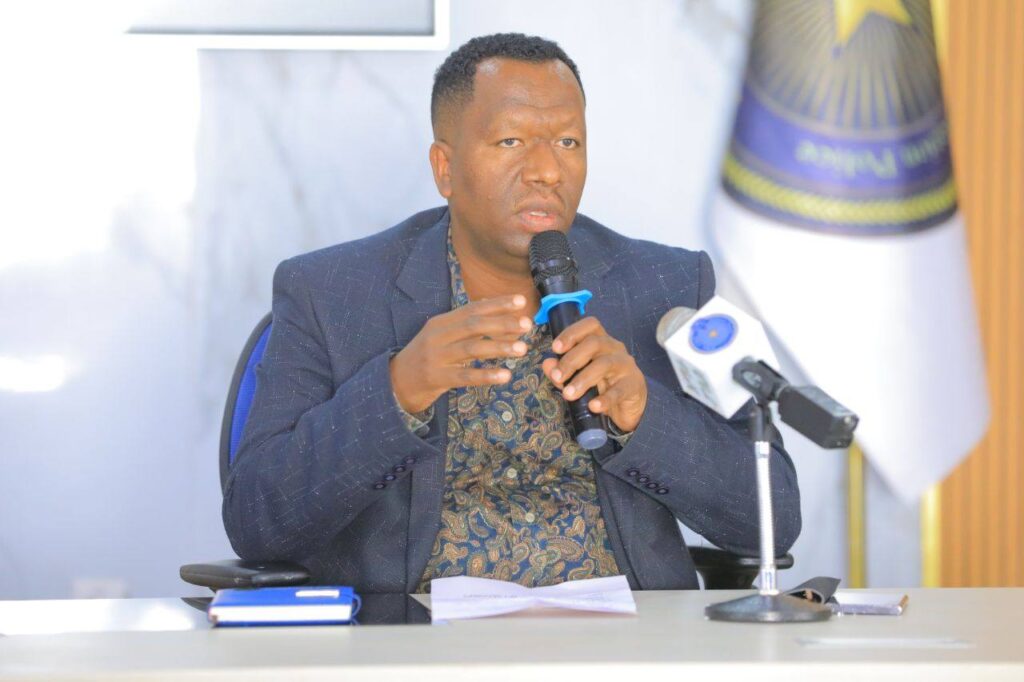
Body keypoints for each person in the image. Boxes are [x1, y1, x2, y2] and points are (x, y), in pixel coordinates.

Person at [223, 33, 800, 593]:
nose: (547, 170)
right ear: (445, 168)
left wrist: (644, 415)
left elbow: (772, 518)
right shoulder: (331, 293)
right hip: (416, 635)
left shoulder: (666, 286)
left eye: (568, 142)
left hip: (624, 631)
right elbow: (257, 520)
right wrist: (397, 391)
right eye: (510, 141)